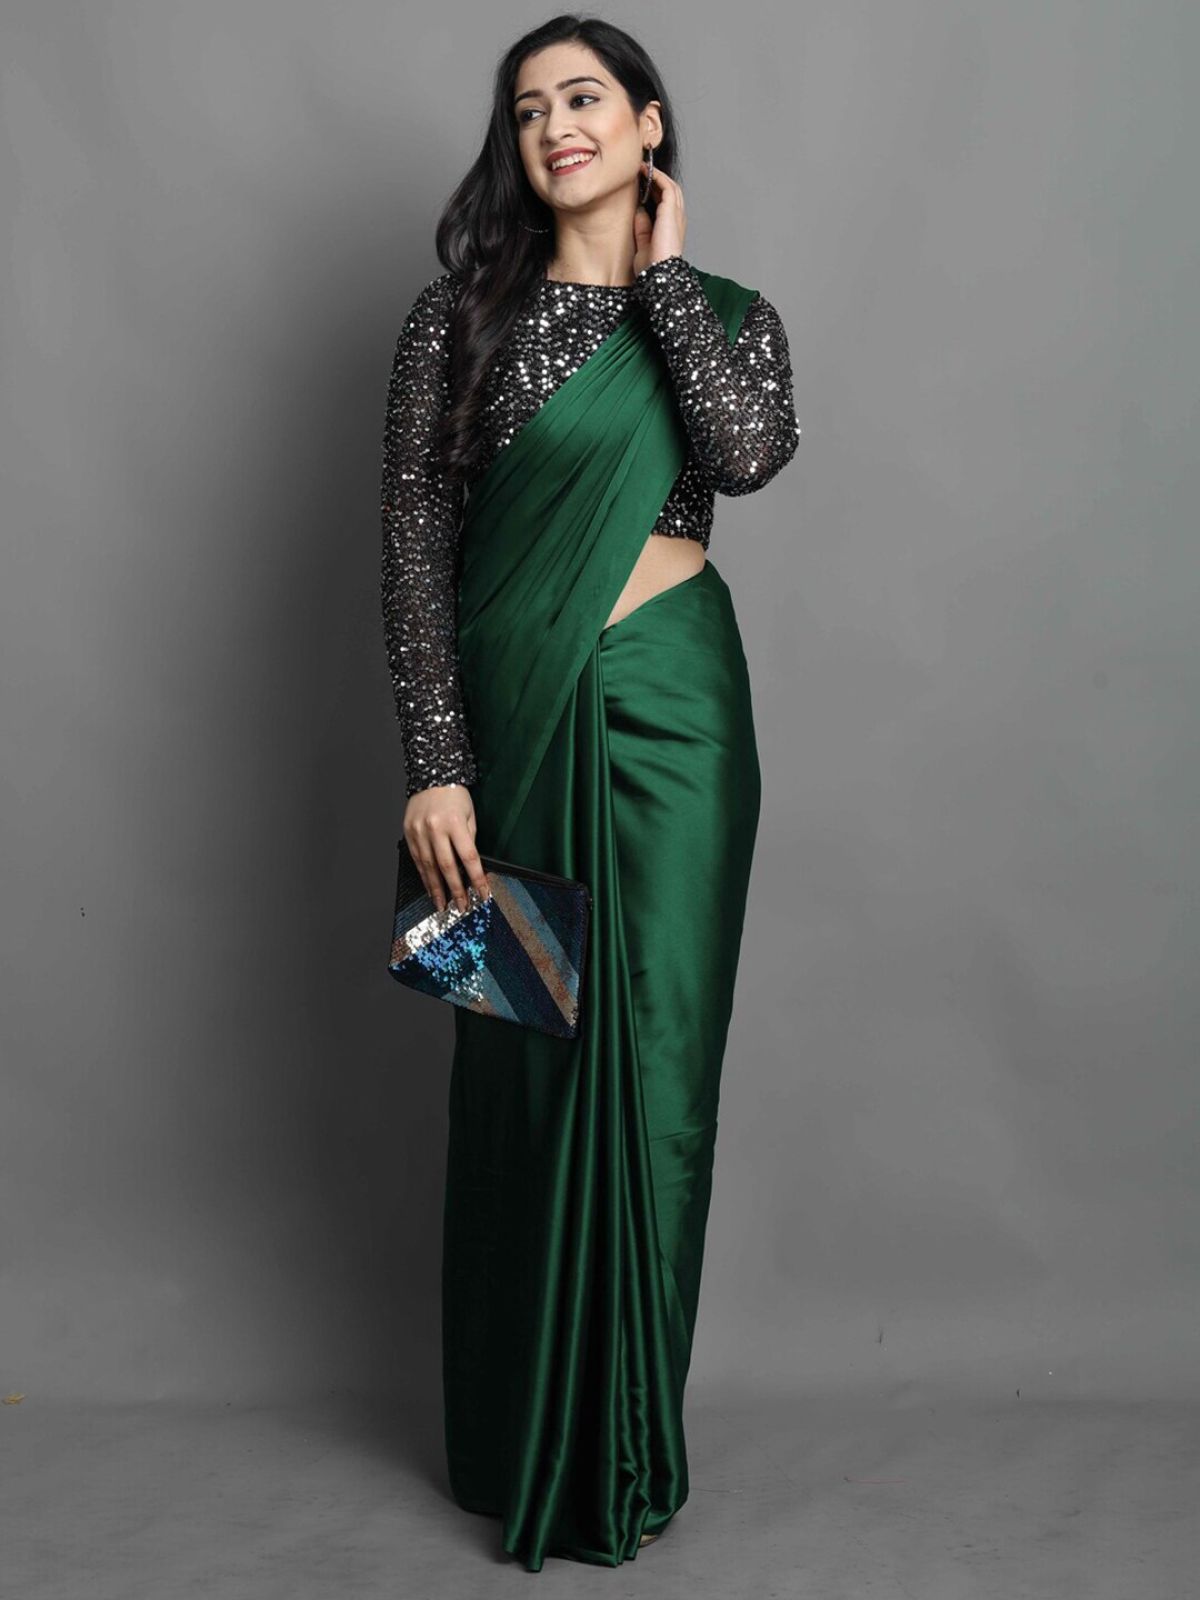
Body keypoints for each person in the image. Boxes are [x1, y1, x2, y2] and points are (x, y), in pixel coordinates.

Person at [380, 15, 800, 1572]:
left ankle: (627, 1441)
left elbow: (745, 457)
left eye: (583, 97)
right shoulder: (456, 320)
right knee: (519, 1062)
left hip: (680, 717)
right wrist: (436, 763)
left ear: (645, 123)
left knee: (664, 1068)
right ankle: (517, 1441)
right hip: (508, 723)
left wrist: (665, 281)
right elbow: (413, 547)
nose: (555, 125)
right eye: (527, 108)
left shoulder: (728, 315)